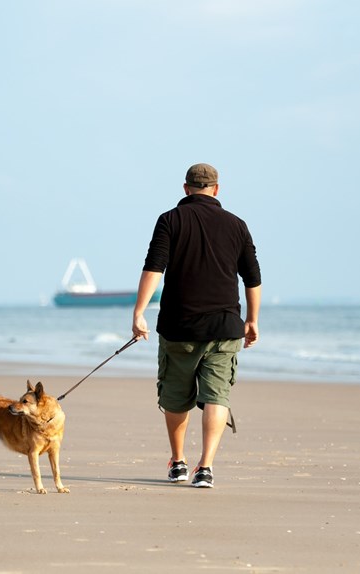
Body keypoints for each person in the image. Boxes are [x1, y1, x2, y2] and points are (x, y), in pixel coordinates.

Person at [131, 163, 261, 489]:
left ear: (186, 188)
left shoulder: (170, 220)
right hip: (225, 325)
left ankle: (178, 463)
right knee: (217, 397)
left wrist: (139, 313)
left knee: (175, 398)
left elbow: (154, 268)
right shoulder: (237, 225)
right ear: (217, 189)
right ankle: (205, 468)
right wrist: (252, 319)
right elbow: (253, 277)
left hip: (179, 326)